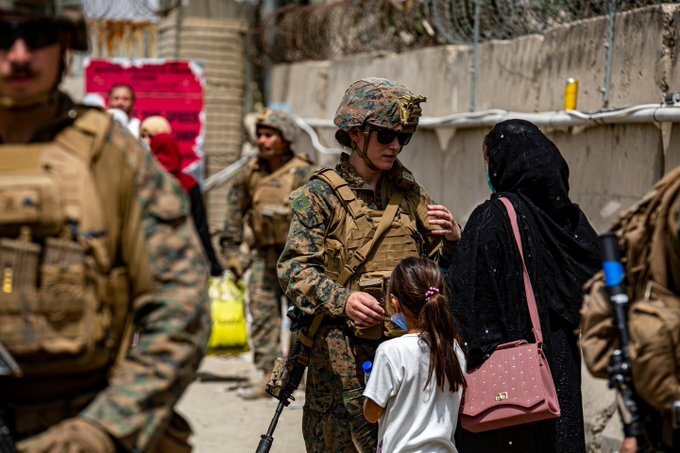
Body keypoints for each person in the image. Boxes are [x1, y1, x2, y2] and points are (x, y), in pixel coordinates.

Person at [0, 2, 210, 452]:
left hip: (79, 427)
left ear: (65, 43)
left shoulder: (111, 155)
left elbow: (181, 309)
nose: (18, 55)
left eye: (36, 36)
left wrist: (106, 428)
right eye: (2, 36)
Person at [277, 77, 461, 452]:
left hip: (405, 358)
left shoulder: (410, 194)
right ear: (355, 134)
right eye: (385, 136)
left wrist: (454, 242)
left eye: (403, 138)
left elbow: (431, 274)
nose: (395, 146)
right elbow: (294, 270)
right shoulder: (319, 195)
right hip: (340, 361)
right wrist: (343, 300)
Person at [446, 119, 601, 452]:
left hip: (511, 383)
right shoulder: (569, 222)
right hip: (560, 370)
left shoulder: (493, 217)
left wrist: (455, 250)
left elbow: (465, 302)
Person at [219, 108, 315, 399]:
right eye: (260, 135)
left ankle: (297, 377)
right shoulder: (250, 172)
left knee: (303, 318)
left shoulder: (304, 173)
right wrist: (232, 254)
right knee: (262, 317)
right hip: (263, 255)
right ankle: (269, 378)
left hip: (297, 258)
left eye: (269, 135)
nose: (262, 141)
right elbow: (234, 214)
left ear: (285, 137)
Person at [363, 257, 466, 453]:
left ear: (395, 304)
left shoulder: (390, 351)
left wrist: (371, 387)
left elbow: (371, 414)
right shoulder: (454, 348)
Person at [141, 115, 223, 277]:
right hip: (184, 263)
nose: (144, 141)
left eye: (149, 136)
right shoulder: (188, 184)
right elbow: (201, 228)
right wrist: (214, 266)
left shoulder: (143, 182)